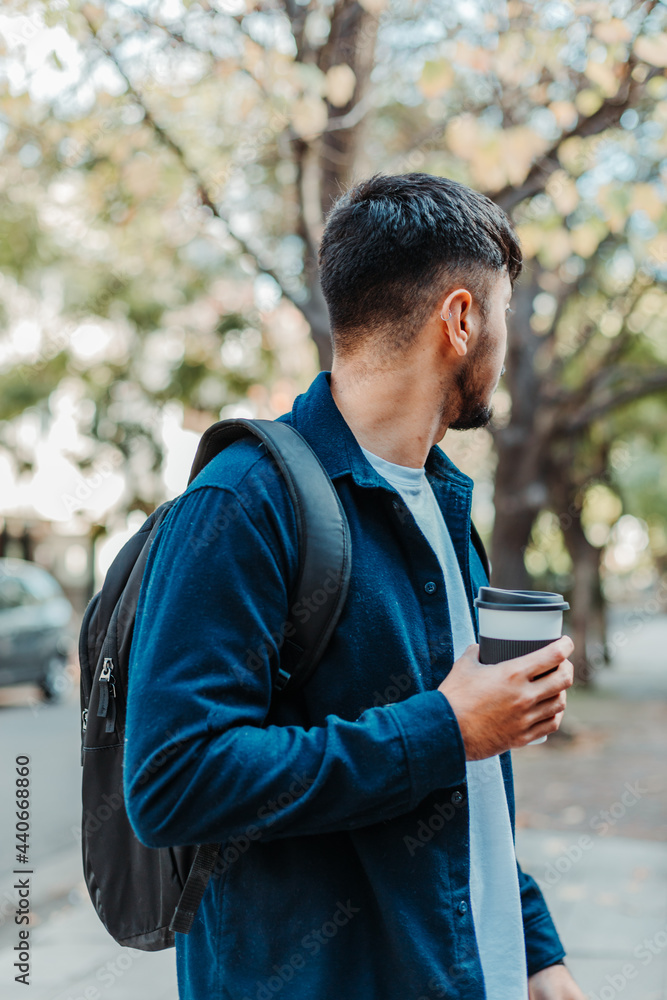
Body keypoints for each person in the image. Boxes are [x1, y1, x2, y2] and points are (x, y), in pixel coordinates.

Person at [123, 172, 586, 1000]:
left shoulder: (442, 505)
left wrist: (536, 952)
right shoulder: (240, 502)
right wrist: (445, 726)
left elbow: (459, 784)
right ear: (460, 318)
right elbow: (172, 780)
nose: (504, 348)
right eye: (504, 319)